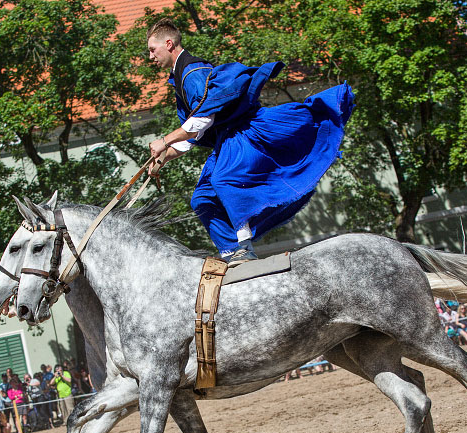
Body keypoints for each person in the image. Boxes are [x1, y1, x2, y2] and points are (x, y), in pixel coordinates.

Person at [145, 19, 354, 262]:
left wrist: (164, 140)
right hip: (225, 140)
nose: (151, 56)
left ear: (168, 43)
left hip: (242, 133)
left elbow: (202, 119)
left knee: (225, 181)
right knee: (202, 198)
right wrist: (165, 157)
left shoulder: (192, 72)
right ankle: (230, 252)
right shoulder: (180, 77)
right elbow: (197, 132)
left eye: (152, 49)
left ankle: (245, 249)